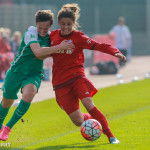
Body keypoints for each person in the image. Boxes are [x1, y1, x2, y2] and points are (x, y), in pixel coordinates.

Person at [37, 4, 126, 144]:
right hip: (60, 84)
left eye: (69, 24)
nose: (66, 27)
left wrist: (114, 51)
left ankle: (111, 136)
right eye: (63, 24)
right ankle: (94, 122)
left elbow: (98, 45)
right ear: (59, 23)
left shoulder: (78, 37)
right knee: (78, 121)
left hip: (77, 77)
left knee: (88, 103)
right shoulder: (53, 36)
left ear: (74, 24)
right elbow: (40, 49)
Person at [0, 10, 74, 141]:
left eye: (46, 28)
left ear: (50, 26)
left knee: (29, 94)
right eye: (40, 27)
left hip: (34, 73)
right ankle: (0, 126)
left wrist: (61, 49)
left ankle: (8, 128)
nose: (42, 31)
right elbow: (38, 52)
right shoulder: (31, 32)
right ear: (36, 25)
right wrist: (58, 48)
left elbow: (50, 53)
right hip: (16, 71)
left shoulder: (51, 37)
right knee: (7, 102)